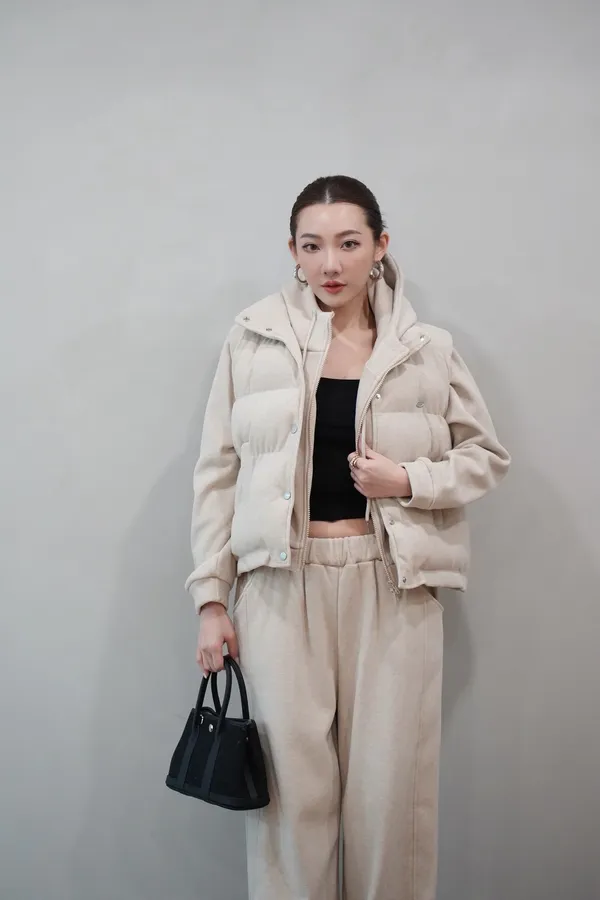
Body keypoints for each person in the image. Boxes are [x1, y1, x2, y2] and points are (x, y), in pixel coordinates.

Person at [185, 175, 510, 900]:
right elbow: (218, 474)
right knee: (289, 803)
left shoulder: (425, 349)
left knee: (391, 798)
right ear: (293, 252)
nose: (330, 263)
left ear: (380, 246)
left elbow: (485, 456)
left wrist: (408, 479)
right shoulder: (253, 339)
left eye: (349, 243)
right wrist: (211, 599)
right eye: (312, 246)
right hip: (280, 584)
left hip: (392, 583)